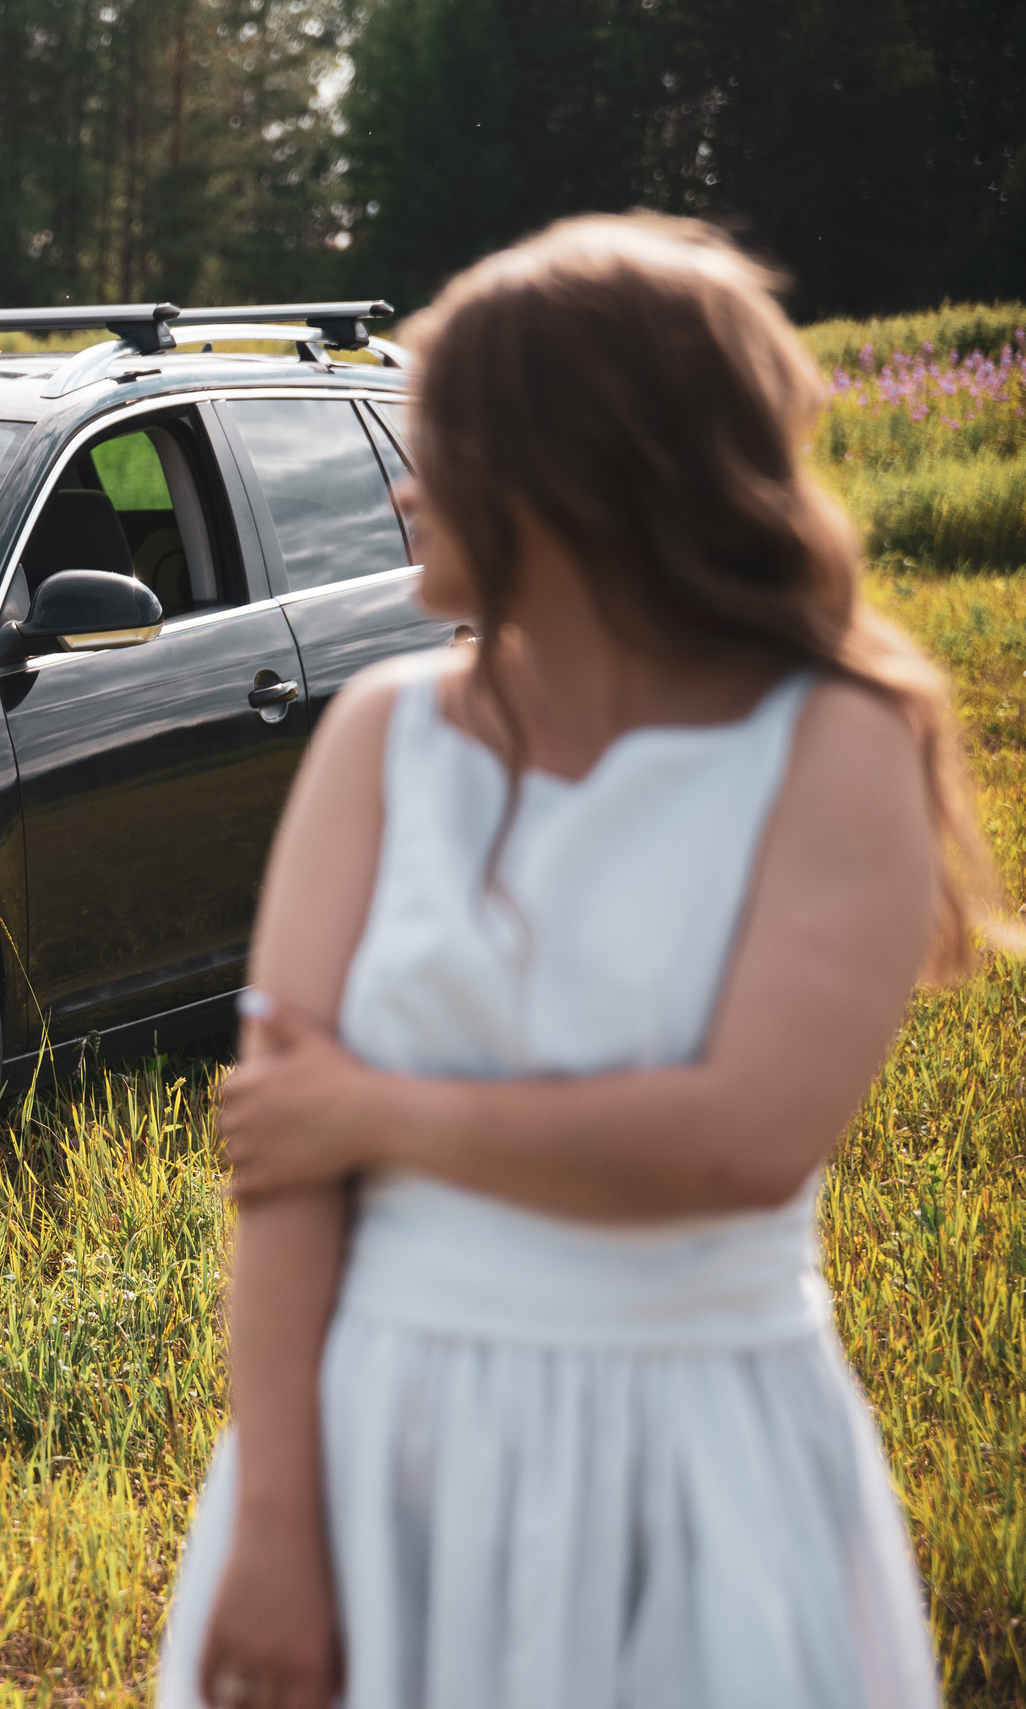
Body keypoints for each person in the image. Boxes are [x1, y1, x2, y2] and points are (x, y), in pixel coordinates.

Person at [158, 214, 1009, 1708]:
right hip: (379, 1447)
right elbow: (280, 1170)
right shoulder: (382, 738)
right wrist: (283, 1529)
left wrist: (382, 1113)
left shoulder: (839, 746)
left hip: (695, 1456)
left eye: (441, 451)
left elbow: (740, 1140)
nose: (405, 491)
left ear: (578, 468)